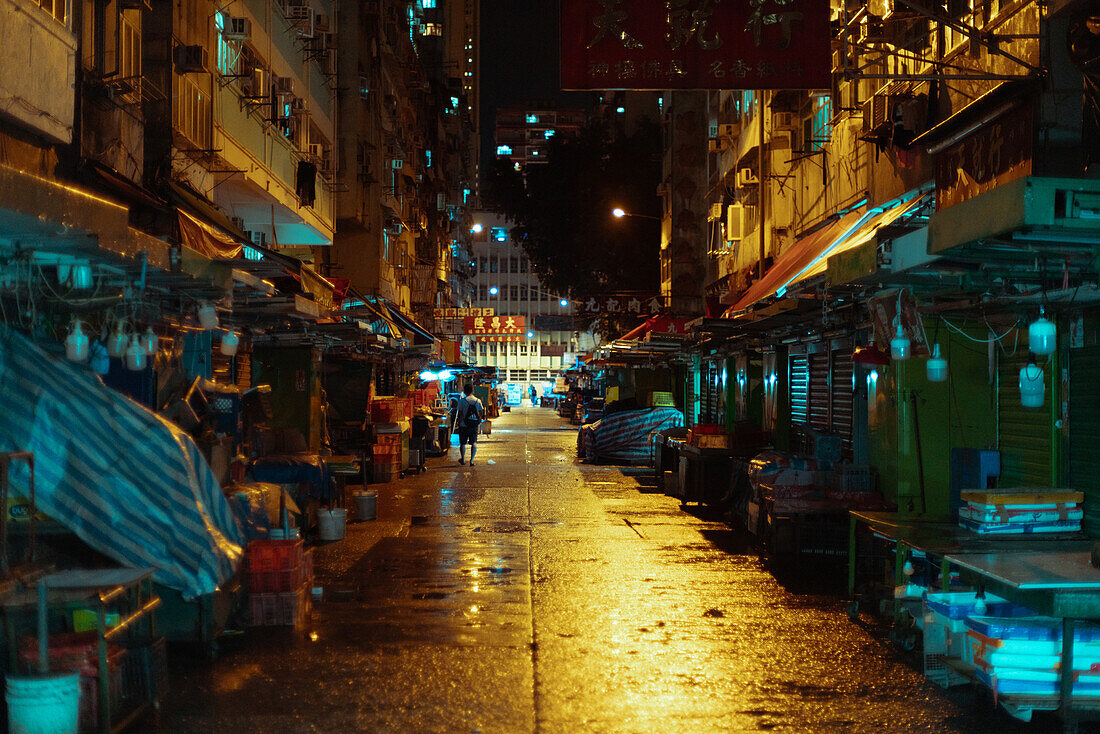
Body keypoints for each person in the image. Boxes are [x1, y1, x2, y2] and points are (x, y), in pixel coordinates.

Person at [455, 383, 485, 466]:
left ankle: (463, 459)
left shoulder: (462, 401)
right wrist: (479, 419)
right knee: (474, 442)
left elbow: (460, 414)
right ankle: (471, 461)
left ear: (464, 391)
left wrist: (458, 422)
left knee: (463, 443)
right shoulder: (477, 401)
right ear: (472, 390)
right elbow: (481, 412)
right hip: (473, 424)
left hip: (463, 424)